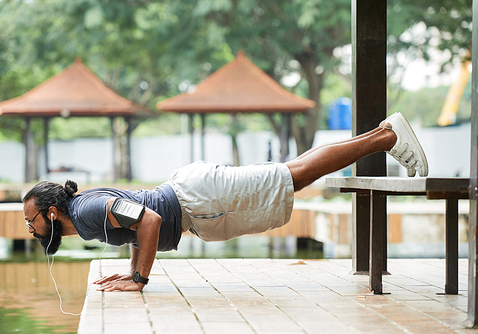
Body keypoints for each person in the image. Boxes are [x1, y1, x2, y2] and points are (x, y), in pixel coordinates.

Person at [23, 112, 428, 292]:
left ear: (52, 212)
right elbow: (135, 227)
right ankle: (383, 133)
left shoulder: (87, 211)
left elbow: (147, 220)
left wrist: (140, 280)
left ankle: (387, 136)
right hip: (195, 200)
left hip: (198, 200)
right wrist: (131, 273)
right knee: (294, 173)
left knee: (297, 176)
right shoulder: (85, 214)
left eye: (32, 219)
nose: (30, 227)